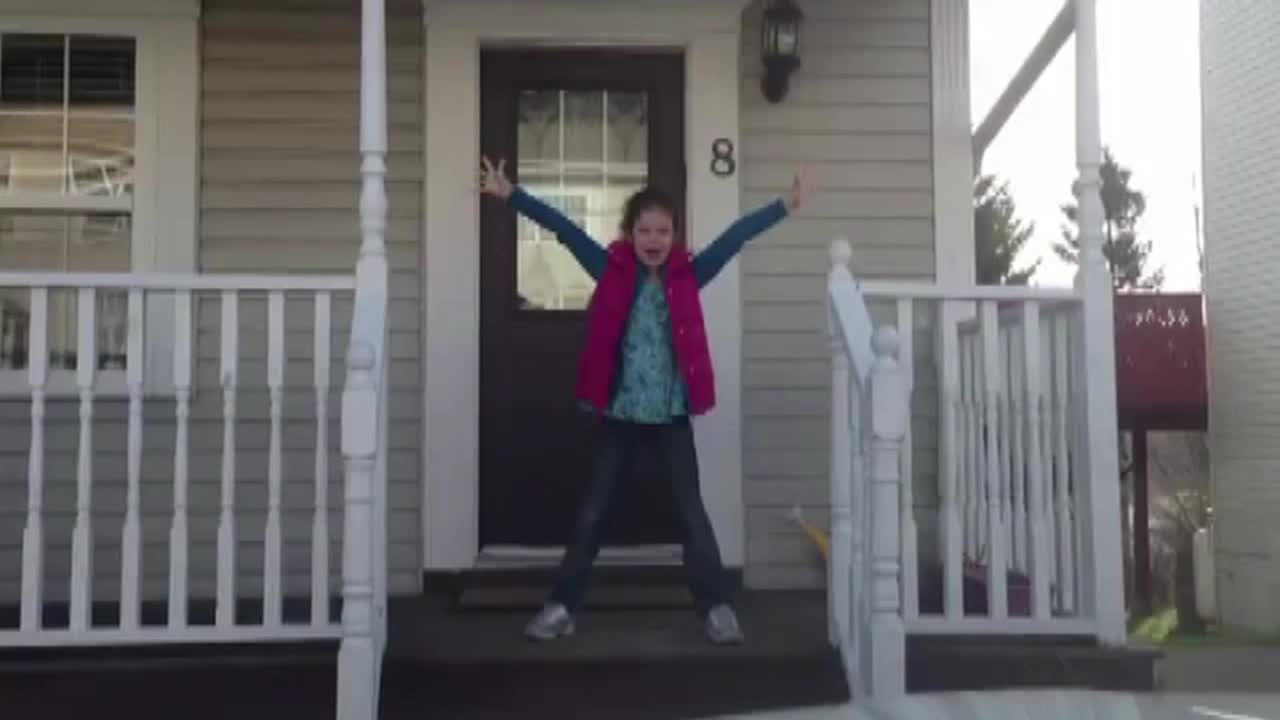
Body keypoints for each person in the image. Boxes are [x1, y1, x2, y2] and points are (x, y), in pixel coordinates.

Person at [478, 156, 813, 645]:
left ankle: (716, 607)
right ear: (630, 234)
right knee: (593, 511)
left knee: (690, 513)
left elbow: (734, 237)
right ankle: (561, 607)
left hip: (672, 417)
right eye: (644, 230)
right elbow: (566, 230)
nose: (653, 239)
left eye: (663, 230)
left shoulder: (688, 276)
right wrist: (513, 196)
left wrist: (785, 205)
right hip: (619, 416)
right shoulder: (610, 270)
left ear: (674, 235)